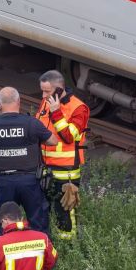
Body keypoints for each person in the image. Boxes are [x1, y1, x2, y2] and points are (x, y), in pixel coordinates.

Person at [0, 87, 57, 235]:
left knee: (4, 223)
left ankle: (5, 253)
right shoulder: (31, 123)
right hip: (30, 181)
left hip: (4, 182)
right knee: (38, 223)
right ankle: (41, 253)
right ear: (19, 102)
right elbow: (53, 141)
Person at [34, 70, 89, 240]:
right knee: (45, 209)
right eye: (42, 91)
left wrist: (56, 112)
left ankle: (68, 247)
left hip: (66, 174)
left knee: (65, 213)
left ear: (58, 89)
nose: (43, 96)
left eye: (47, 91)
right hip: (45, 169)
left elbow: (68, 136)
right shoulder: (46, 102)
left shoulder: (78, 108)